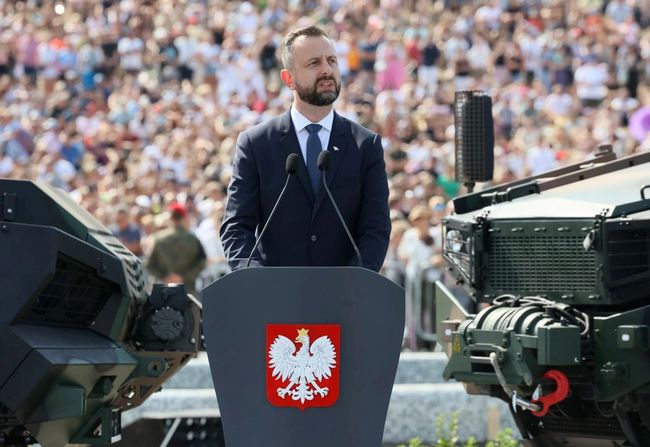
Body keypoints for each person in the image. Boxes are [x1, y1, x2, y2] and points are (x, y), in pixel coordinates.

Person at [220, 25, 390, 272]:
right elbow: (236, 227)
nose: (326, 70)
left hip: (343, 301)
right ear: (288, 78)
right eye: (314, 63)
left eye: (332, 61)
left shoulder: (366, 145)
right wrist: (256, 283)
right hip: (275, 300)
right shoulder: (256, 144)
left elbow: (376, 228)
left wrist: (355, 283)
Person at [146, 202, 207, 295]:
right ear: (184, 218)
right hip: (188, 290)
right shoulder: (193, 239)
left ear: (171, 218)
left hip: (163, 289)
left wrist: (165, 277)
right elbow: (202, 262)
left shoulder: (157, 238)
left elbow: (149, 264)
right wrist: (182, 277)